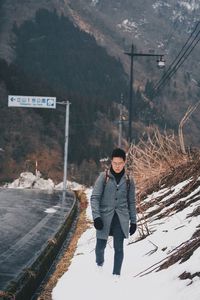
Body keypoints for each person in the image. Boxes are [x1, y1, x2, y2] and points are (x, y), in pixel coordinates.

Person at [90, 148, 137, 277]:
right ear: (111, 162)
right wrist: (96, 217)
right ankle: (99, 263)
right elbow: (95, 198)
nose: (117, 166)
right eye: (115, 163)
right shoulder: (103, 177)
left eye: (120, 163)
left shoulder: (129, 180)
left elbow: (132, 202)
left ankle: (116, 274)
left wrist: (133, 221)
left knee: (119, 248)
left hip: (121, 218)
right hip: (104, 217)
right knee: (100, 247)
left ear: (124, 162)